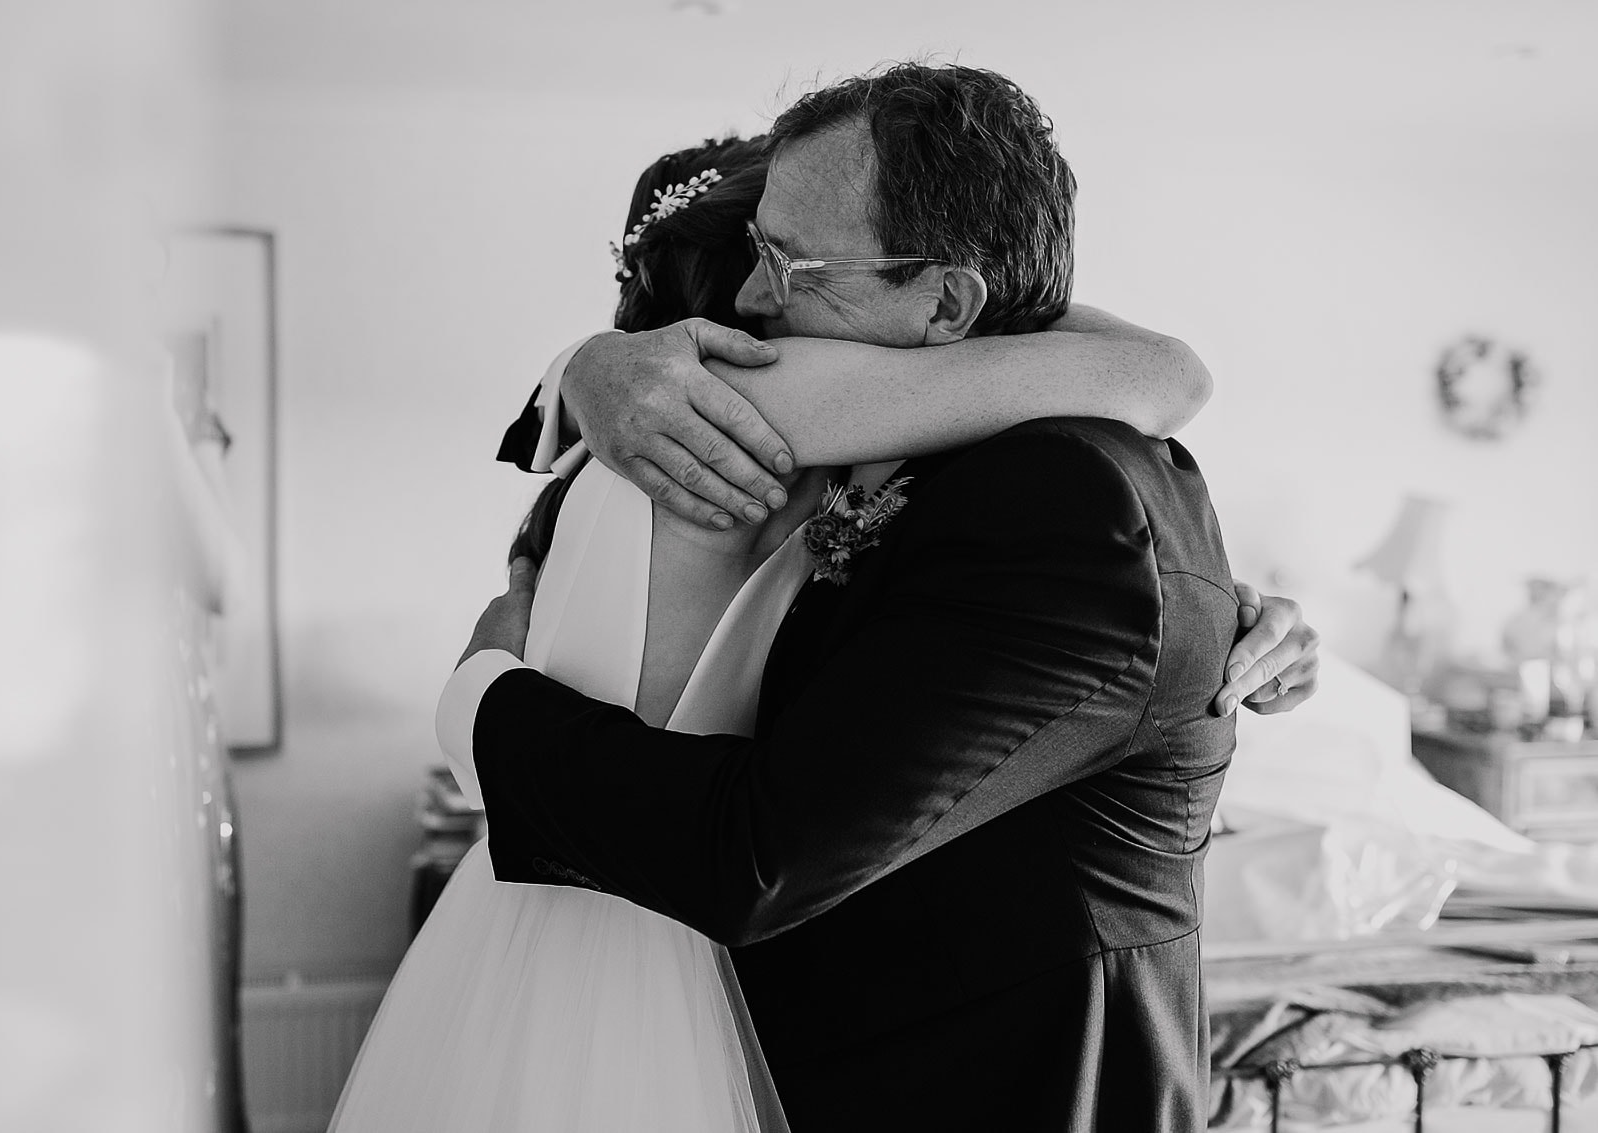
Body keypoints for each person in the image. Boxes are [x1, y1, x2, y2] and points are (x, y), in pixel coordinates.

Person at [447, 63, 1319, 1130]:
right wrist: (588, 362)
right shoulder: (918, 431)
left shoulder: (1057, 499)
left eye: (788, 261)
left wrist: (477, 696)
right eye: (752, 250)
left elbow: (759, 857)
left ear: (947, 300)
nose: (756, 300)